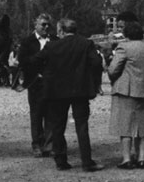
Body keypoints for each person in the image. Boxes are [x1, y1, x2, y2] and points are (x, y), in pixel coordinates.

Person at [35, 18, 104, 172]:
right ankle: (87, 162)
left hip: (57, 91)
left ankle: (60, 161)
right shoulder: (86, 44)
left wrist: (46, 75)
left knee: (58, 127)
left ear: (61, 31)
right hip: (80, 90)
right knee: (82, 126)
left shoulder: (51, 46)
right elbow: (96, 63)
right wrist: (91, 79)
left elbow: (37, 61)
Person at [107, 21, 144, 169]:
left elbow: (113, 69)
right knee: (143, 126)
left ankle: (127, 158)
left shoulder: (123, 47)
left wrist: (114, 80)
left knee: (125, 126)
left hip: (126, 91)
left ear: (126, 34)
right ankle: (142, 157)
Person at [17, 13, 56, 157]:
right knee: (36, 115)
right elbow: (22, 61)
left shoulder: (55, 40)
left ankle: (49, 144)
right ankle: (37, 144)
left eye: (48, 24)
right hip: (34, 84)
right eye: (43, 24)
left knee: (51, 115)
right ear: (36, 25)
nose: (46, 27)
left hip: (52, 84)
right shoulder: (27, 42)